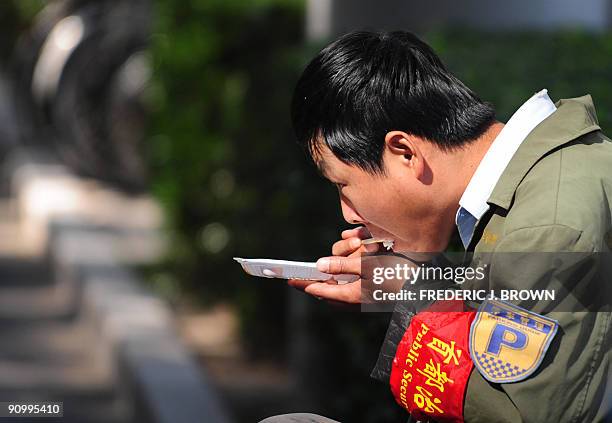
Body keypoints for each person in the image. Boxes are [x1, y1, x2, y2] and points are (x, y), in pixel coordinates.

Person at [260, 30, 611, 422]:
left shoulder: (547, 224)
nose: (348, 214)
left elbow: (524, 413)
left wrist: (419, 289)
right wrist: (409, 278)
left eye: (343, 185)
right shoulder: (529, 192)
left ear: (405, 153)